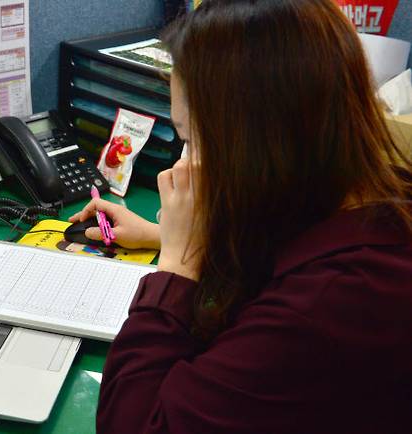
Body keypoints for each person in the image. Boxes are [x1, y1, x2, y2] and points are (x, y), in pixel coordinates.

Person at [69, 1, 412, 432]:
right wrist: (163, 234)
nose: (180, 167)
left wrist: (177, 263)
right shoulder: (371, 201)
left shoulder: (331, 302)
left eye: (192, 140)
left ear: (255, 143)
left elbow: (134, 423)